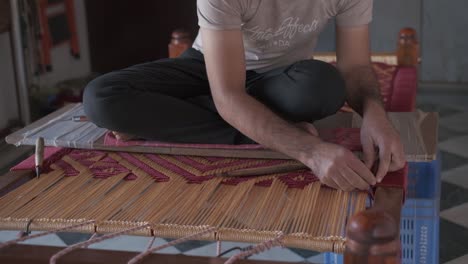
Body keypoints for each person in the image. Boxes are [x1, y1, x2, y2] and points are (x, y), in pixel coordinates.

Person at [83, 0, 406, 191]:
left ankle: (176, 117)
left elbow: (355, 67)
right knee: (103, 98)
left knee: (326, 86)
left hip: (283, 78)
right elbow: (227, 93)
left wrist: (375, 114)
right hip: (210, 68)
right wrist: (309, 150)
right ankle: (267, 126)